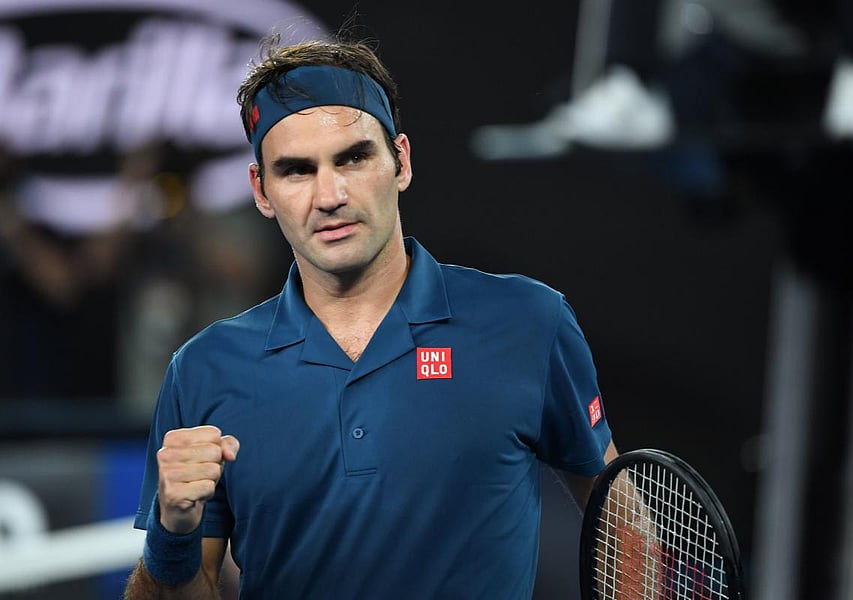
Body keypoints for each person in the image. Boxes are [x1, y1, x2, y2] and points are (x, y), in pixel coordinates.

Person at [124, 29, 617, 599]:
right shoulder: (205, 369)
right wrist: (172, 535)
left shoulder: (529, 321)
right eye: (296, 170)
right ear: (262, 191)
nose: (329, 194)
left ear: (400, 161)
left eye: (353, 157)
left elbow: (619, 521)